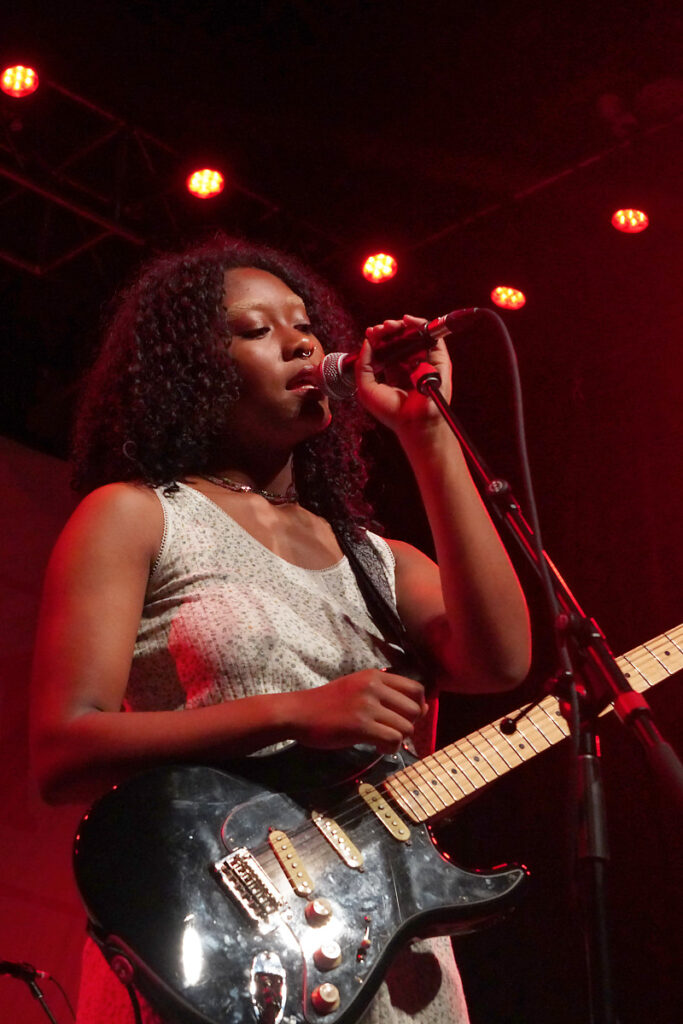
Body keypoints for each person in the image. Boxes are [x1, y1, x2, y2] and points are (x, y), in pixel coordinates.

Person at [30, 235, 531, 1024]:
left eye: (304, 324)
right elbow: (64, 749)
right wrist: (294, 711)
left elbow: (501, 661)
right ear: (192, 370)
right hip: (214, 948)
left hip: (387, 959)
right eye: (256, 330)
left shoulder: (378, 559)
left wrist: (426, 434)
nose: (301, 343)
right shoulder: (138, 515)